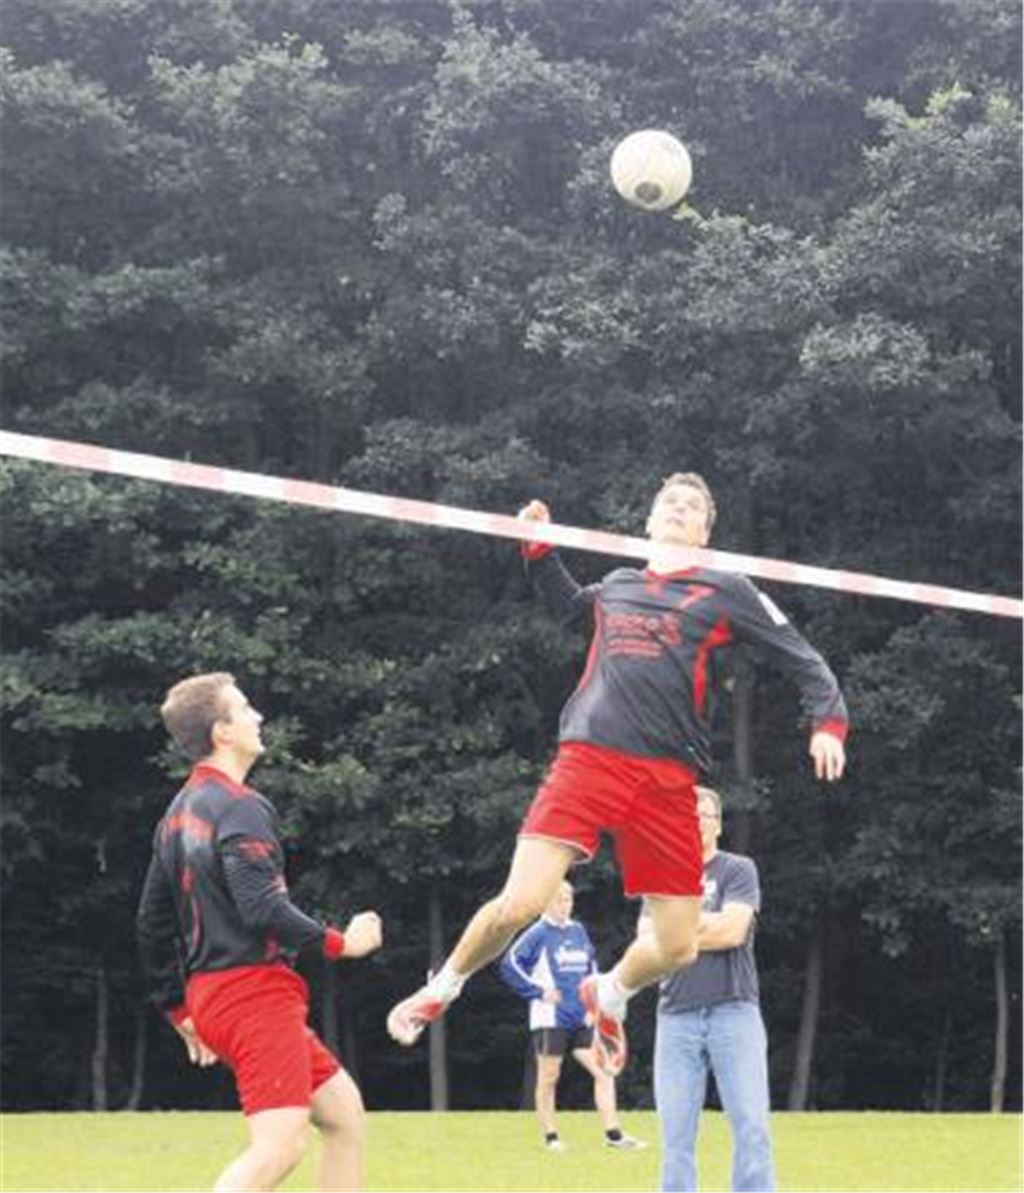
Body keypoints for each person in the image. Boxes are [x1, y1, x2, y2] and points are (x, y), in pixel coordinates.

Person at [387, 472, 847, 1075]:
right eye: (669, 502)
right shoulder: (619, 585)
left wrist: (828, 723)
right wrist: (539, 548)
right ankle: (440, 988)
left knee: (678, 946)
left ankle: (607, 994)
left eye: (692, 507)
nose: (679, 509)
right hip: (589, 760)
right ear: (649, 522)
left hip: (668, 780)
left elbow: (803, 658)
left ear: (704, 535)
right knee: (518, 903)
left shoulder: (726, 589)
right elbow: (566, 607)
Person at [136, 672, 383, 1193]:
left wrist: (178, 1008)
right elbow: (262, 907)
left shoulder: (175, 815)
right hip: (253, 995)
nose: (259, 716)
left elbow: (151, 922)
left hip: (216, 997)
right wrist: (343, 943)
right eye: (246, 708)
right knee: (280, 1147)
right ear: (222, 732)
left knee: (343, 1114)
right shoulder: (240, 806)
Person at [646, 786, 774, 1192]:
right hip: (676, 1016)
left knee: (752, 1126)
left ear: (717, 824)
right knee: (675, 1138)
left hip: (733, 1011)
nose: (695, 822)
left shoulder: (738, 870)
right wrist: (701, 928)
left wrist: (679, 931)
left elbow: (733, 931)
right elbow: (649, 942)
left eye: (703, 815)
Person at [499, 880, 645, 1152]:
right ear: (545, 902)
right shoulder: (537, 933)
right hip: (550, 1019)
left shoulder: (578, 930)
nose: (564, 905)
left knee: (604, 1071)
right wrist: (538, 992)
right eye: (558, 900)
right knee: (549, 1077)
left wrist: (594, 1007)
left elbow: (591, 970)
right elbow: (510, 964)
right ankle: (551, 1137)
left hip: (582, 1017)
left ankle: (613, 1135)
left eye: (568, 900)